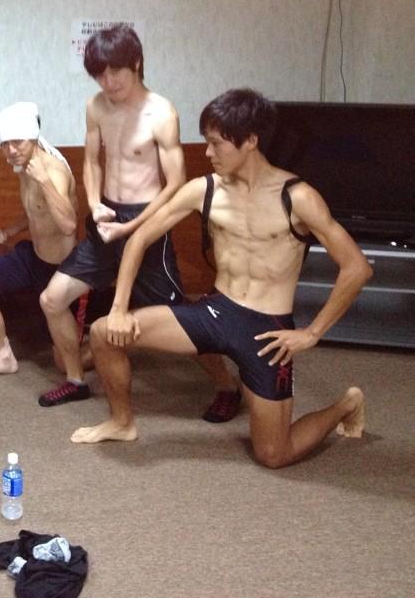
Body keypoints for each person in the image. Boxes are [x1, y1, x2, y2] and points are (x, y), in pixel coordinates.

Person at [72, 88, 370, 467]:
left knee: (274, 454)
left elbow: (357, 267)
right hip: (217, 312)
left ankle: (346, 405)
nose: (208, 152)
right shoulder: (205, 189)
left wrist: (312, 333)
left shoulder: (297, 197)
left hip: (266, 330)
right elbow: (139, 238)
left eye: (216, 143)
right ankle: (121, 422)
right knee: (103, 333)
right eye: (206, 142)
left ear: (251, 141)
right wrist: (118, 308)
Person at [37, 24, 238, 415]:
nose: (108, 81)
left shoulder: (161, 112)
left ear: (137, 63)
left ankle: (227, 385)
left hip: (147, 220)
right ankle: (76, 381)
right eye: (100, 74)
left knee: (179, 316)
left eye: (116, 71)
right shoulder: (96, 106)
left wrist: (131, 228)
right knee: (52, 299)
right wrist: (94, 203)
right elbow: (92, 161)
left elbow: (176, 183)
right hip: (106, 215)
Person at [0, 103, 80, 377]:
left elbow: (68, 225)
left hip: (61, 268)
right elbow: (36, 211)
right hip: (33, 257)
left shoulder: (52, 172)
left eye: (18, 142)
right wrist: (8, 232)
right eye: (5, 144)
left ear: (33, 138)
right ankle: (4, 357)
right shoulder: (23, 165)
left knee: (65, 364)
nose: (11, 150)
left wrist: (44, 182)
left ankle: (103, 346)